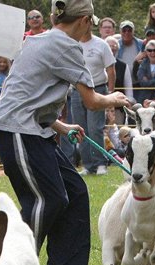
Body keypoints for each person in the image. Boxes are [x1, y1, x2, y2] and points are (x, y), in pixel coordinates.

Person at [0, 0, 130, 265]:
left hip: (34, 128)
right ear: (87, 20)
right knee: (46, 199)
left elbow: (31, 92)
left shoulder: (39, 40)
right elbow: (91, 101)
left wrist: (60, 126)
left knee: (75, 192)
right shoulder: (68, 47)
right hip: (15, 130)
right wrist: (113, 98)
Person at [69, 19, 116, 176]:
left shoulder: (101, 44)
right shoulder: (72, 44)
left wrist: (110, 95)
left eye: (89, 22)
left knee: (95, 128)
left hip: (98, 89)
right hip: (77, 90)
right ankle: (88, 165)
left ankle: (100, 163)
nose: (85, 25)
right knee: (80, 128)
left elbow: (110, 70)